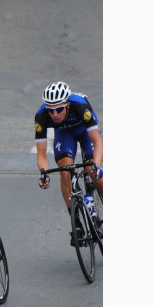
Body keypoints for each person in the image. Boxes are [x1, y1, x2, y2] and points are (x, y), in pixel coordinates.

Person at [35, 81, 103, 235]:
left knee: (91, 169)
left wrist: (96, 166)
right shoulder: (41, 116)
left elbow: (97, 142)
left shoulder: (80, 106)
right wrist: (44, 173)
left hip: (85, 131)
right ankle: (77, 223)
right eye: (51, 111)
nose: (55, 115)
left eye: (59, 109)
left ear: (67, 104)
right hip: (65, 134)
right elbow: (41, 154)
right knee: (64, 172)